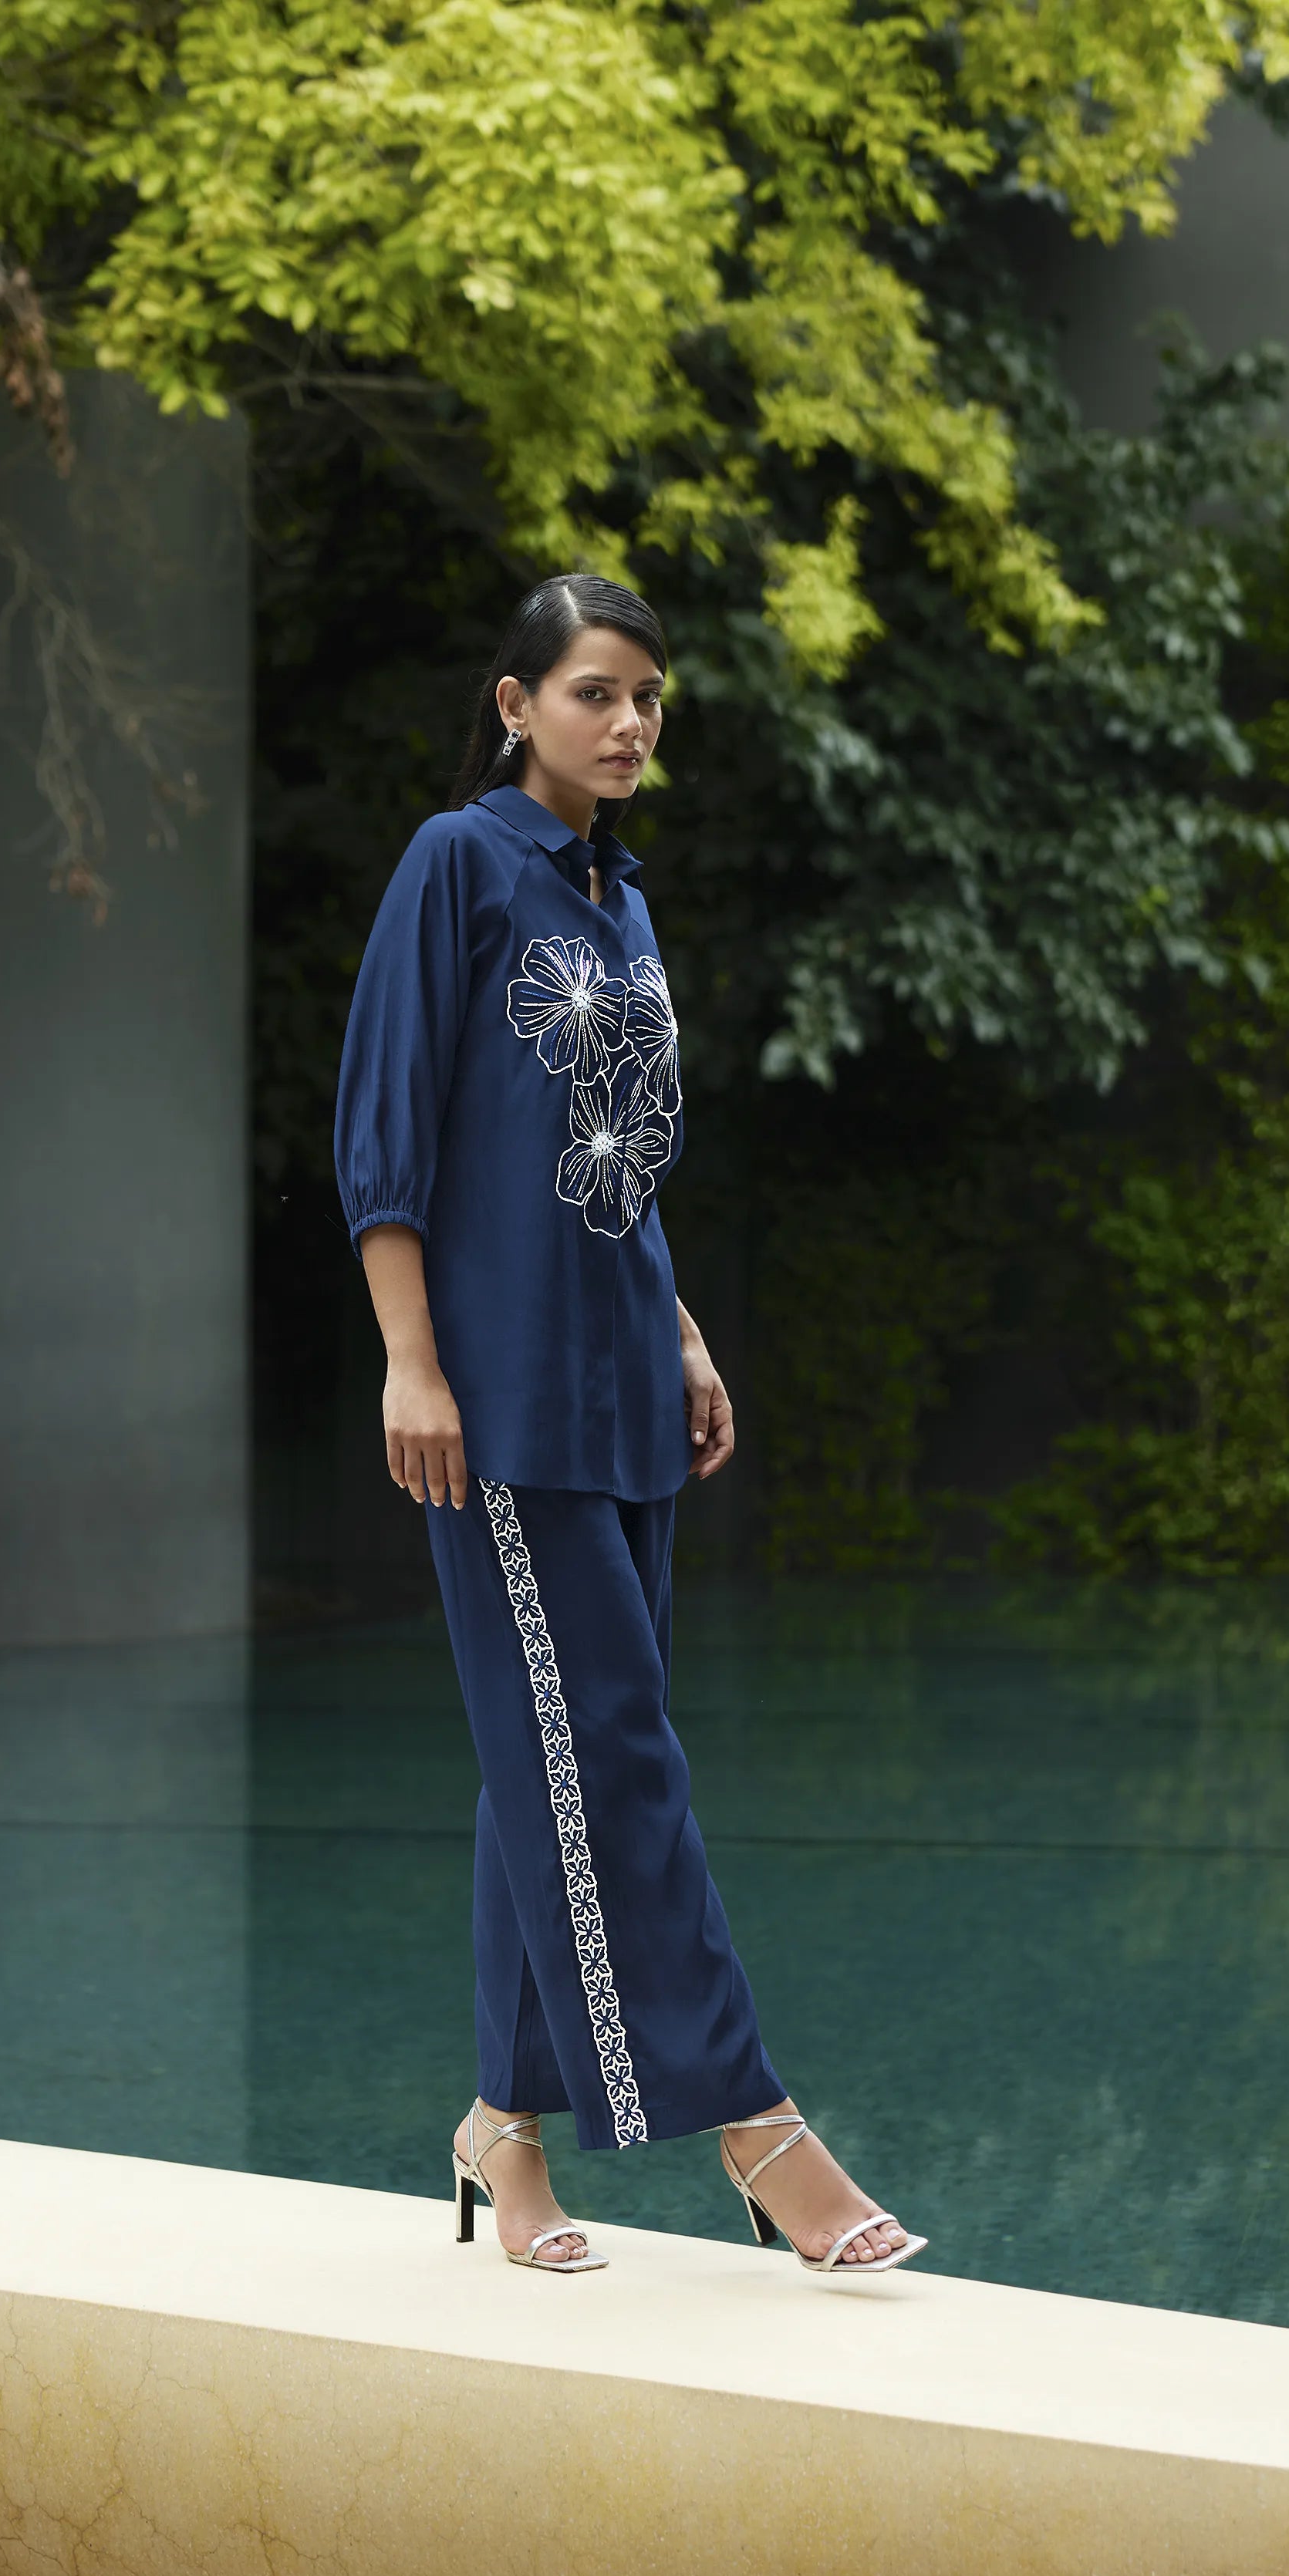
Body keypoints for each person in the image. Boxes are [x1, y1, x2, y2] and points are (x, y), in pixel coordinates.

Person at [332, 574, 923, 2280]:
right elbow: (384, 1131)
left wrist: (680, 1331)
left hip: (625, 1387)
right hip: (502, 1404)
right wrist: (409, 1362)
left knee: (561, 1751)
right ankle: (759, 2130)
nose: (630, 721)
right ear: (516, 703)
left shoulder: (623, 897)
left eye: (649, 696)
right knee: (612, 1750)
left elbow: (614, 1150)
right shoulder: (458, 863)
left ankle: (501, 2132)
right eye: (596, 691)